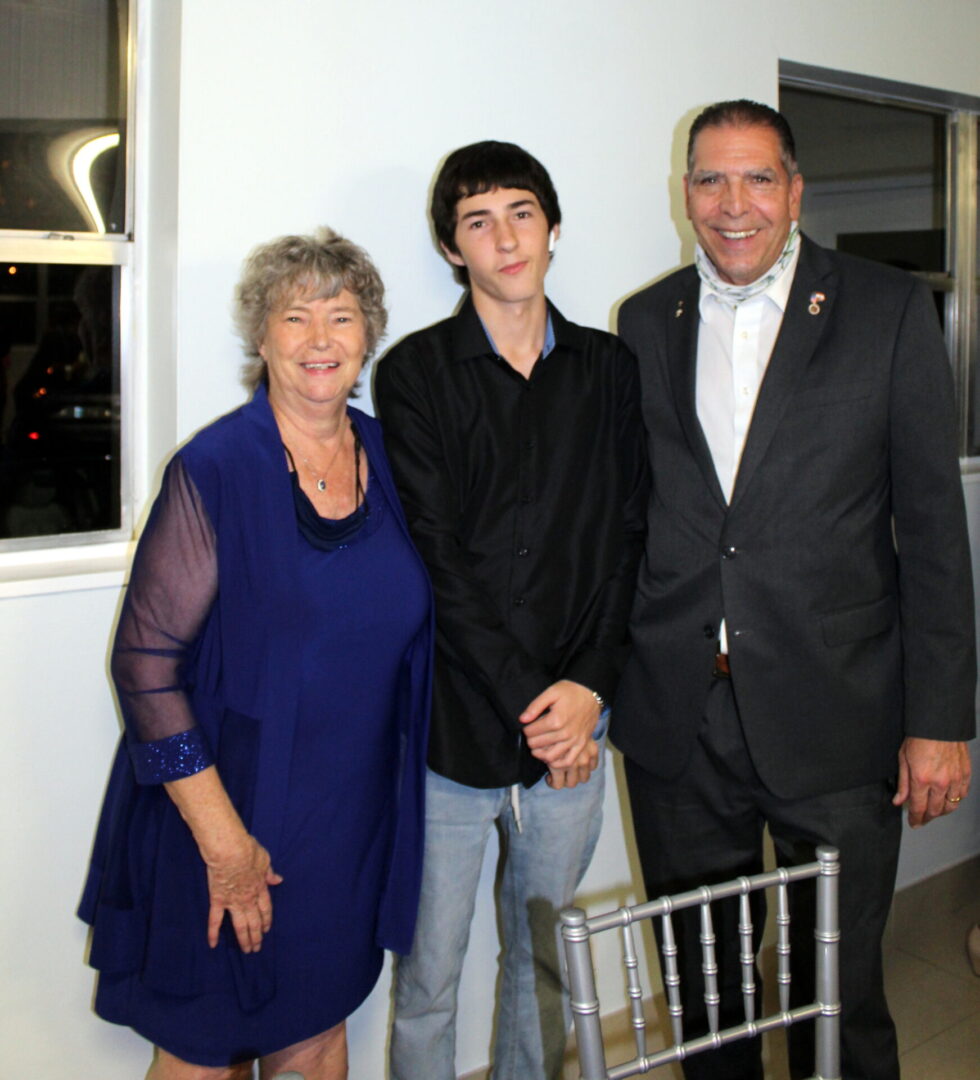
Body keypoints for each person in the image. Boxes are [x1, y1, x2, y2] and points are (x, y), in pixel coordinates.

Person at [614, 99, 976, 1080]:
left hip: (839, 712)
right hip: (682, 719)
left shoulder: (885, 309)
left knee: (839, 991)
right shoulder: (645, 322)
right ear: (683, 193)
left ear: (794, 190)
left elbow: (933, 531)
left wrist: (938, 718)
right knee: (705, 993)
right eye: (710, 180)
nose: (734, 205)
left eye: (757, 178)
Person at [78, 229, 433, 1079]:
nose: (319, 340)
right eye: (295, 317)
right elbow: (145, 666)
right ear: (262, 336)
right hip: (231, 817)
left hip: (350, 824)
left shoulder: (389, 457)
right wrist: (225, 846)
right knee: (204, 1053)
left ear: (367, 335)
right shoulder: (217, 469)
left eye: (341, 318)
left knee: (315, 1034)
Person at [375, 140, 648, 1080]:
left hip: (575, 727)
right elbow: (436, 560)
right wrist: (540, 703)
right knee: (430, 977)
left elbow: (626, 540)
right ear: (454, 250)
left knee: (542, 966)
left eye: (521, 212)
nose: (505, 237)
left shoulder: (611, 369)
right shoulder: (413, 374)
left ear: (554, 227)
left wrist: (587, 691)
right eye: (477, 221)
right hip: (455, 728)